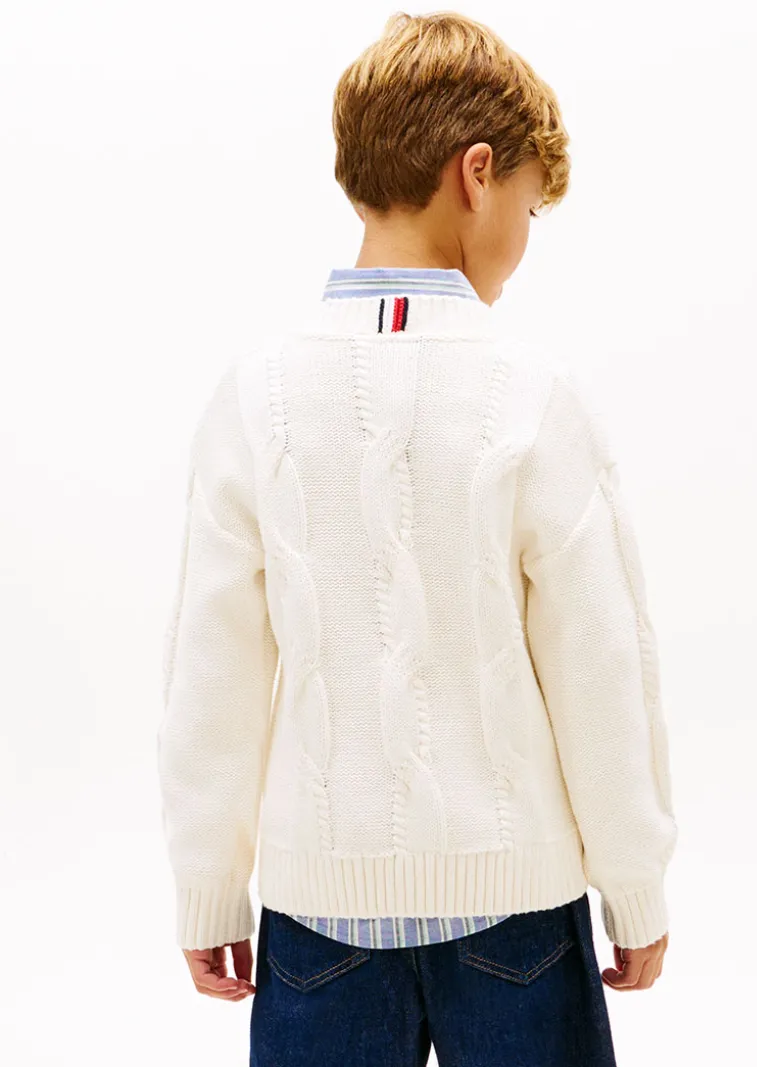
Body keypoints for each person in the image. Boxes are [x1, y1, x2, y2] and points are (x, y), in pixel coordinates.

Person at [156, 10, 678, 1066]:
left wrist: (208, 881)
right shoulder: (534, 395)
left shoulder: (255, 397)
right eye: (529, 204)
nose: (524, 240)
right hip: (518, 915)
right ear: (476, 174)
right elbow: (601, 669)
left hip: (318, 922)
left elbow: (209, 673)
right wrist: (634, 883)